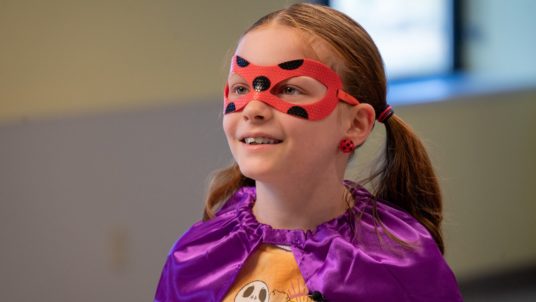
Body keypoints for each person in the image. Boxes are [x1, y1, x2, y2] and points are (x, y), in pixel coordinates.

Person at [155, 3, 462, 302]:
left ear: (356, 124)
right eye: (240, 88)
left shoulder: (396, 265)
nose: (254, 109)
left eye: (289, 90)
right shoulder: (198, 254)